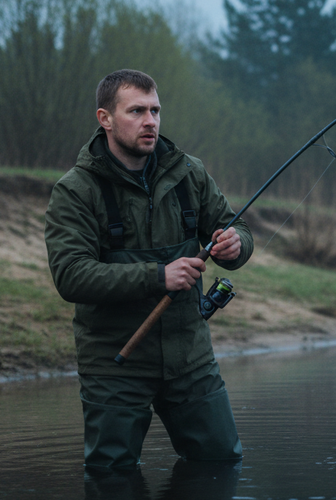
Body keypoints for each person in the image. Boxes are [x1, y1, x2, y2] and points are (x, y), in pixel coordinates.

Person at [44, 69, 254, 472]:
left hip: (191, 358)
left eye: (155, 111)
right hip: (114, 364)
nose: (150, 121)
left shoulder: (190, 172)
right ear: (105, 118)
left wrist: (235, 245)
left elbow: (237, 227)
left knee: (221, 465)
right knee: (111, 478)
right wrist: (159, 276)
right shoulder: (75, 190)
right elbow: (71, 275)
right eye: (136, 111)